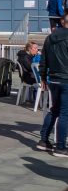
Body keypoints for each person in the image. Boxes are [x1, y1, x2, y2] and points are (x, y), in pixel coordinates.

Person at [39, 13, 68, 156]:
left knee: (55, 110)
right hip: (65, 79)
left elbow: (43, 58)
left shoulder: (50, 37)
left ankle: (44, 140)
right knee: (64, 113)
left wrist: (43, 76)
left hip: (53, 78)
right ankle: (60, 146)